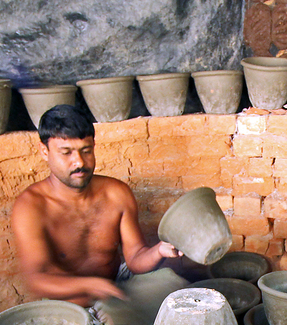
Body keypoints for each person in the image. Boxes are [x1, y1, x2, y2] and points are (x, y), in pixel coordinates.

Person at [10, 105, 181, 306]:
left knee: (175, 290)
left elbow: (135, 258)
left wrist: (159, 251)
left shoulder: (116, 193)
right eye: (66, 153)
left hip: (117, 285)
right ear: (44, 151)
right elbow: (36, 278)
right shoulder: (31, 207)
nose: (79, 162)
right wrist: (90, 285)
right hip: (70, 301)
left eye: (86, 151)